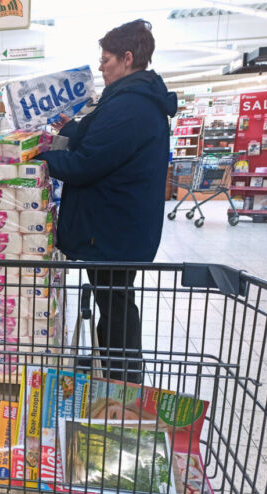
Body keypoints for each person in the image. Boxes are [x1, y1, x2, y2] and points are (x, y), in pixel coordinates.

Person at [36, 19, 178, 384]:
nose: (100, 66)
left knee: (115, 308)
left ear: (127, 58)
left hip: (114, 232)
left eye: (106, 59)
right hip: (119, 227)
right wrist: (64, 128)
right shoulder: (130, 99)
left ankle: (125, 386)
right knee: (114, 302)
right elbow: (92, 135)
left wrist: (41, 161)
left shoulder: (131, 105)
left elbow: (87, 164)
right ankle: (121, 381)